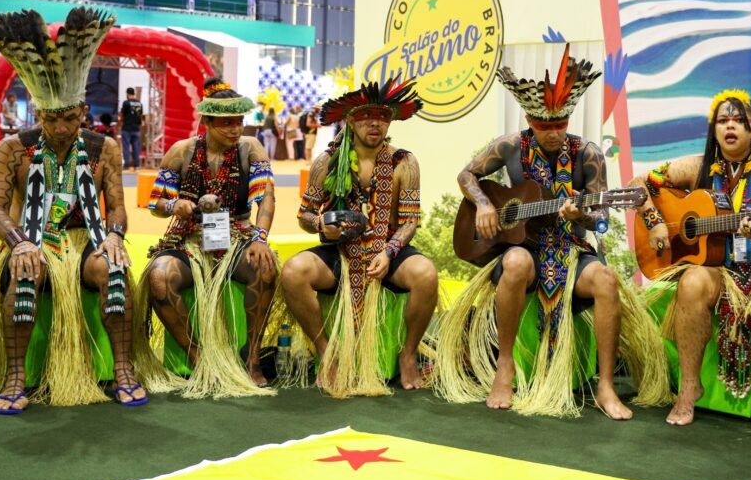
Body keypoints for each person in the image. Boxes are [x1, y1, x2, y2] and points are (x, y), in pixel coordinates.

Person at [435, 45, 669, 420]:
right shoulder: (510, 145)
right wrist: (483, 204)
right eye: (545, 126)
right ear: (530, 119)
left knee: (607, 280)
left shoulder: (588, 154)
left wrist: (581, 215)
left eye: (560, 124)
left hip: (570, 248)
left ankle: (606, 386)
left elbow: (601, 218)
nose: (554, 133)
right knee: (514, 262)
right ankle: (505, 366)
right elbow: (467, 175)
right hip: (525, 249)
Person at [0, 7, 155, 414]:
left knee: (114, 271)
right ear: (38, 114)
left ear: (82, 112)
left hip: (87, 240)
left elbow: (117, 206)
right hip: (31, 240)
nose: (61, 128)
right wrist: (18, 243)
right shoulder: (12, 149)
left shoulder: (104, 148)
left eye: (68, 118)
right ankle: (15, 375)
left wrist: (114, 236)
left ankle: (122, 369)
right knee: (24, 275)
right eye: (51, 119)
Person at [632, 89, 751, 432]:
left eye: (738, 120)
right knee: (691, 284)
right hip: (715, 267)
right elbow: (638, 184)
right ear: (713, 129)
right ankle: (689, 388)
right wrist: (654, 220)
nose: (729, 126)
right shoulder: (697, 167)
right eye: (722, 120)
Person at [280, 78, 438, 397]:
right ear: (351, 121)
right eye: (366, 117)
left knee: (426, 274)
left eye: (382, 117)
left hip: (388, 252)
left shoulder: (404, 162)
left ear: (390, 122)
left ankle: (408, 354)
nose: (375, 123)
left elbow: (410, 221)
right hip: (340, 253)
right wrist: (322, 224)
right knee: (293, 272)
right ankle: (327, 353)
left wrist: (390, 252)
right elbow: (304, 216)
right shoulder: (327, 162)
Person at [142, 77, 278, 398]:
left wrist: (260, 238)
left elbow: (266, 198)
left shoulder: (250, 148)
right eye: (226, 123)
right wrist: (175, 205)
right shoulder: (182, 152)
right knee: (158, 278)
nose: (235, 129)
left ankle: (252, 359)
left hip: (237, 236)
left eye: (239, 122)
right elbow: (156, 204)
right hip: (188, 240)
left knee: (265, 267)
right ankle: (200, 359)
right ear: (207, 122)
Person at [120, 87, 144, 171]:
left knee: (126, 147)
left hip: (127, 128)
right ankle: (136, 165)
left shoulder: (126, 103)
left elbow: (123, 115)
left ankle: (127, 165)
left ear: (127, 94)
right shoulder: (139, 103)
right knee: (136, 147)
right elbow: (140, 116)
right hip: (136, 129)